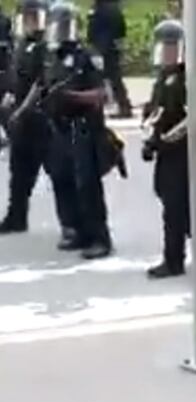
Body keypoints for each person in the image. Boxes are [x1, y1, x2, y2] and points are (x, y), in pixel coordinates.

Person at [42, 1, 112, 259]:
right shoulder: (52, 57)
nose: (58, 32)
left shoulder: (87, 56)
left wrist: (72, 96)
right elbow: (43, 86)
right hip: (58, 126)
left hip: (83, 127)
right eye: (55, 27)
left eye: (63, 27)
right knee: (61, 177)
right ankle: (75, 229)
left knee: (87, 183)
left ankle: (99, 237)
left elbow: (102, 94)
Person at [141, 19, 189, 279]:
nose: (167, 53)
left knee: (173, 206)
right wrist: (148, 137)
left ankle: (173, 260)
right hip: (165, 150)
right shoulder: (162, 78)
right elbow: (154, 111)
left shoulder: (186, 79)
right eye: (164, 48)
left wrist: (165, 140)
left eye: (172, 48)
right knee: (165, 194)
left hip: (181, 152)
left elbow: (190, 119)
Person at [0, 0, 49, 236]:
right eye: (27, 17)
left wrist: (22, 109)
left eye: (35, 17)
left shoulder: (46, 47)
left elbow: (40, 83)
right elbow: (14, 75)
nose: (31, 23)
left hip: (41, 117)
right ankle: (16, 216)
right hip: (22, 118)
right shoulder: (21, 45)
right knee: (18, 171)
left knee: (60, 174)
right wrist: (10, 95)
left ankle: (76, 225)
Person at [87, 0, 131, 119]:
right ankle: (122, 104)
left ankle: (123, 106)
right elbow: (121, 30)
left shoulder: (104, 8)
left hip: (104, 47)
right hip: (107, 46)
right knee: (112, 78)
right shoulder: (108, 7)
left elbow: (118, 29)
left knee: (108, 77)